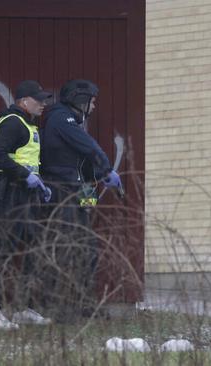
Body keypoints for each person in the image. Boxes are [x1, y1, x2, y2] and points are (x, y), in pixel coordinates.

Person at [40, 79, 121, 321]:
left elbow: (74, 162)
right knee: (66, 249)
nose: (94, 107)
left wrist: (98, 176)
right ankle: (61, 309)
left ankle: (85, 304)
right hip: (61, 193)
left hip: (73, 191)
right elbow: (89, 147)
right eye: (92, 102)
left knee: (87, 250)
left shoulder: (69, 122)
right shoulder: (60, 119)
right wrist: (106, 168)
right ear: (80, 100)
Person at [0, 80, 53, 329]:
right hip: (12, 195)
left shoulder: (28, 123)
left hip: (27, 195)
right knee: (2, 253)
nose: (43, 104)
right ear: (24, 101)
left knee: (33, 251)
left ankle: (24, 308)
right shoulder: (13, 122)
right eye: (39, 99)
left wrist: (40, 184)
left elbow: (27, 160)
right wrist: (26, 176)